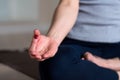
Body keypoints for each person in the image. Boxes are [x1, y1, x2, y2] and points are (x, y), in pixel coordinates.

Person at [29, 0, 120, 80]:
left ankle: (110, 67)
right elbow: (68, 4)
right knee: (56, 66)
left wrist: (108, 63)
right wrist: (53, 40)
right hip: (77, 44)